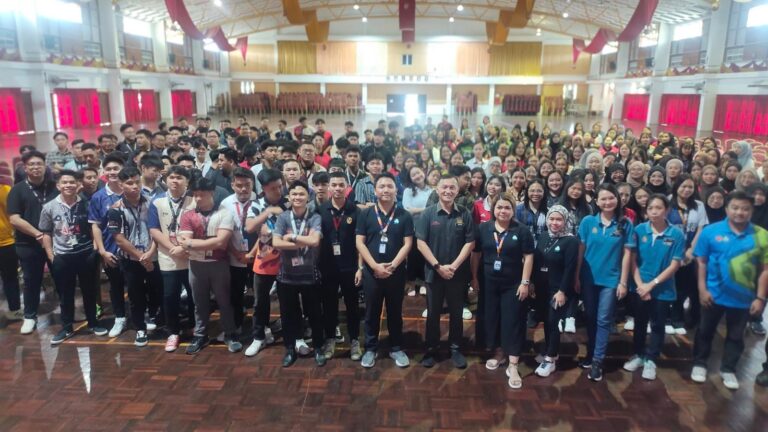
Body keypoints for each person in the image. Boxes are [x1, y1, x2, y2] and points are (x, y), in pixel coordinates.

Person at [691, 190, 768, 391]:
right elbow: (701, 262)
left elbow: (764, 270)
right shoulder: (711, 231)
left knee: (736, 335)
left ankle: (728, 368)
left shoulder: (762, 236)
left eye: (745, 209)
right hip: (713, 294)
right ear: (726, 209)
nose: (739, 212)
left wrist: (760, 298)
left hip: (744, 298)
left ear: (752, 211)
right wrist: (702, 289)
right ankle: (700, 363)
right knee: (705, 331)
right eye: (735, 207)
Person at [470, 196, 533, 388]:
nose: (503, 211)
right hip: (488, 283)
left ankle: (513, 364)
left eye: (507, 207)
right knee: (493, 318)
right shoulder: (483, 228)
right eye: (499, 207)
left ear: (513, 210)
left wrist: (525, 282)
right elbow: (476, 254)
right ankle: (499, 353)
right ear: (493, 209)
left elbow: (528, 257)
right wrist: (474, 277)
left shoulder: (521, 230)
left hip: (513, 284)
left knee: (513, 320)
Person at [40, 170, 108, 343]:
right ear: (58, 185)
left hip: (86, 254)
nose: (68, 185)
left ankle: (93, 323)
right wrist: (51, 255)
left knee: (89, 291)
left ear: (78, 185)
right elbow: (46, 233)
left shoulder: (87, 204)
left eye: (72, 182)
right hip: (62, 256)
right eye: (64, 182)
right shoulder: (49, 207)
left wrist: (94, 249)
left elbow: (94, 227)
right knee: (65, 294)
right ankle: (67, 327)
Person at [622, 195, 685, 381]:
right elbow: (633, 260)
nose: (654, 211)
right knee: (640, 323)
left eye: (659, 208)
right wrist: (641, 285)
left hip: (662, 289)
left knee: (657, 325)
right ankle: (639, 354)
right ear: (646, 211)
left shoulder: (676, 234)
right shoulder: (639, 230)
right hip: (640, 288)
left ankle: (651, 359)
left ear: (667, 210)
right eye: (650, 208)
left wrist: (651, 285)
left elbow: (674, 265)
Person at [577, 183, 635, 382]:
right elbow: (581, 251)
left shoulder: (625, 223)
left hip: (611, 280)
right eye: (603, 198)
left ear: (617, 199)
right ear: (597, 201)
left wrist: (623, 282)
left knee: (603, 319)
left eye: (611, 198)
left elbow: (627, 255)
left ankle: (597, 361)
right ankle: (591, 352)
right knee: (590, 317)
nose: (608, 202)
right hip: (588, 278)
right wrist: (576, 276)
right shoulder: (588, 222)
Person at [356, 172, 414, 368]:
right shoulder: (366, 214)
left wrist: (392, 266)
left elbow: (408, 244)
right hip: (372, 272)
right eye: (382, 186)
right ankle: (370, 348)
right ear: (375, 191)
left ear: (396, 190)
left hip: (395, 273)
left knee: (395, 311)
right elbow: (360, 242)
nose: (386, 190)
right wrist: (374, 266)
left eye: (390, 186)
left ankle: (396, 347)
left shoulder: (404, 215)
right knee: (371, 312)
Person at [417, 175, 475, 369]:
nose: (448, 191)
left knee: (456, 314)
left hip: (457, 275)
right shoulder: (427, 214)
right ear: (437, 189)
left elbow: (470, 243)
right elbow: (420, 243)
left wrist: (453, 267)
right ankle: (431, 349)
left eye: (452, 188)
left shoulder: (465, 213)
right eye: (444, 187)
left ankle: (455, 348)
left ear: (457, 191)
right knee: (433, 314)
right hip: (433, 273)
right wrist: (438, 266)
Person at [178, 177, 241, 355]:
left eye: (202, 194)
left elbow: (221, 242)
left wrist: (192, 243)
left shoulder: (224, 213)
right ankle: (200, 334)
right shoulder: (188, 215)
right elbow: (183, 241)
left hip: (218, 264)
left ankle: (230, 333)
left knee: (224, 301)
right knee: (199, 303)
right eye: (195, 195)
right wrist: (206, 242)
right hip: (196, 264)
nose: (198, 198)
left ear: (212, 193)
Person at [271, 181, 325, 367]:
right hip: (286, 276)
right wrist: (304, 241)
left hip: (310, 275)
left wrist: (292, 237)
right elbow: (276, 243)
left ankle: (318, 348)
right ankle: (289, 349)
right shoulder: (283, 218)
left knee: (315, 314)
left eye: (301, 194)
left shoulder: (315, 217)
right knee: (288, 316)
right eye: (294, 194)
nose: (298, 197)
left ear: (308, 197)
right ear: (289, 197)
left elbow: (315, 241)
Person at [108, 167, 163, 347]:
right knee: (135, 295)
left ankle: (154, 317)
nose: (134, 186)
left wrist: (150, 253)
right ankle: (140, 328)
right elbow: (119, 239)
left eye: (137, 182)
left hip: (153, 254)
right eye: (129, 183)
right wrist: (142, 257)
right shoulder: (116, 209)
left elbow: (157, 230)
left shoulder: (153, 203)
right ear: (121, 185)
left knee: (157, 290)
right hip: (131, 259)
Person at [8, 150, 59, 334]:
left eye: (39, 164)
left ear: (45, 166)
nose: (36, 167)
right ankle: (30, 316)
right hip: (28, 244)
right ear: (25, 168)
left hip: (57, 242)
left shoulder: (55, 186)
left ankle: (67, 312)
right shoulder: (17, 190)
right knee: (31, 281)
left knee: (62, 277)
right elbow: (14, 219)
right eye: (32, 164)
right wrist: (38, 235)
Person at [148, 166, 197, 352]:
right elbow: (154, 230)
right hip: (168, 257)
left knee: (194, 295)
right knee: (170, 296)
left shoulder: (194, 201)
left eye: (179, 178)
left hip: (191, 255)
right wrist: (172, 248)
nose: (175, 181)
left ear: (187, 181)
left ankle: (195, 327)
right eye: (172, 177)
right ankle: (173, 332)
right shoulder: (157, 201)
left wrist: (184, 247)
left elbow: (200, 227)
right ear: (166, 180)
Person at [244, 168, 290, 357]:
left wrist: (271, 231)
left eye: (280, 186)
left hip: (287, 261)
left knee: (288, 301)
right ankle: (258, 337)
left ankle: (292, 337)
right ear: (263, 188)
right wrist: (269, 211)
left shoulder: (288, 202)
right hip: (264, 261)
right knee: (260, 302)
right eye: (273, 188)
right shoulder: (256, 205)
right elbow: (249, 227)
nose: (278, 191)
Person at [318, 172, 363, 360]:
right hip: (327, 267)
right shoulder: (321, 210)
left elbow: (361, 243)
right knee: (329, 305)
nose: (337, 188)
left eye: (341, 185)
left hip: (350, 267)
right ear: (329, 187)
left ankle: (354, 340)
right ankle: (330, 339)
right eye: (334, 185)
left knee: (352, 306)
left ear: (347, 187)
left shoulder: (355, 211)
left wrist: (360, 268)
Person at [531, 205, 579, 378]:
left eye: (559, 219)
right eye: (551, 219)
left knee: (553, 322)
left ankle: (550, 360)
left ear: (565, 221)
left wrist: (562, 291)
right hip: (542, 287)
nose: (555, 223)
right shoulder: (544, 236)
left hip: (557, 289)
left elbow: (570, 268)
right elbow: (537, 262)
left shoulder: (571, 241)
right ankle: (551, 352)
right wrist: (533, 283)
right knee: (546, 320)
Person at [88, 153, 128, 338]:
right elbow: (95, 226)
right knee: (116, 286)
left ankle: (141, 316)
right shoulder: (98, 197)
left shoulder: (132, 191)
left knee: (137, 285)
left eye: (116, 168)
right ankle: (119, 317)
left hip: (135, 251)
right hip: (111, 251)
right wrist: (102, 251)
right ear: (103, 171)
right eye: (109, 169)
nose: (112, 172)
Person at [668, 174, 708, 335]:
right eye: (683, 186)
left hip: (691, 253)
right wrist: (677, 252)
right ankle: (668, 318)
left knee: (685, 287)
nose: (686, 189)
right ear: (676, 187)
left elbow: (700, 229)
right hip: (670, 251)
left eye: (690, 187)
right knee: (670, 285)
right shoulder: (668, 201)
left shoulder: (699, 205)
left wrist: (691, 250)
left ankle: (680, 318)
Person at [220, 167, 258, 336]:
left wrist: (251, 254)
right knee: (235, 294)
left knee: (260, 295)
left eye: (247, 185)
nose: (243, 189)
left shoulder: (260, 201)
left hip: (257, 256)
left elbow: (265, 233)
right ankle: (237, 325)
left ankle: (261, 327)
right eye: (239, 185)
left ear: (252, 184)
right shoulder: (225, 204)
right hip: (234, 257)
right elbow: (223, 234)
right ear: (232, 185)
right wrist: (236, 253)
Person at [0, 162, 21, 322]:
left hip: (6, 242)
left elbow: (14, 215)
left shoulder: (6, 190)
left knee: (10, 277)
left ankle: (14, 309)